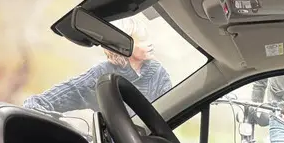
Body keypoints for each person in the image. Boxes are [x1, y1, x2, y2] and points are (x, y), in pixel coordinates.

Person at [23, 17, 172, 113]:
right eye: (142, 39)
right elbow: (39, 103)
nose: (150, 43)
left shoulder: (158, 73)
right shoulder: (102, 74)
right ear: (122, 46)